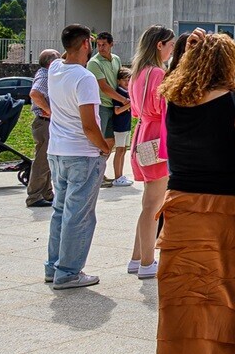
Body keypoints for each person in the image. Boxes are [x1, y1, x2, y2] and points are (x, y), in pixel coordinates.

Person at [151, 30, 235, 354]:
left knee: (176, 300)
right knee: (224, 300)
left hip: (180, 208)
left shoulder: (173, 99)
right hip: (225, 212)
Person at [45, 24, 113, 290]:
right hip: (82, 153)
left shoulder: (55, 68)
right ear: (86, 43)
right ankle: (69, 272)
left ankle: (54, 266)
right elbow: (89, 125)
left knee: (60, 211)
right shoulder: (84, 78)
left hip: (57, 150)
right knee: (79, 215)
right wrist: (104, 148)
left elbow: (63, 57)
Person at [128, 25, 175, 279]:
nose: (172, 50)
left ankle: (138, 258)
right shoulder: (158, 73)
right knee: (153, 205)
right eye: (170, 45)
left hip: (143, 133)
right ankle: (146, 262)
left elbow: (136, 110)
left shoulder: (138, 73)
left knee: (149, 202)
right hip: (157, 137)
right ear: (159, 45)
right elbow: (165, 109)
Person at [88, 32, 132, 187]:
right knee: (97, 143)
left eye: (104, 45)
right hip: (101, 105)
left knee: (110, 142)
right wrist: (124, 100)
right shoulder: (94, 63)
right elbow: (104, 87)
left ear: (111, 44)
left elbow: (120, 81)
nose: (100, 48)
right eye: (98, 45)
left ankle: (98, 173)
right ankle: (93, 175)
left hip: (113, 106)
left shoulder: (116, 59)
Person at [27, 49, 59, 208]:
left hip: (46, 122)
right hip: (44, 122)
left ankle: (46, 193)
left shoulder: (47, 74)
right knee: (42, 161)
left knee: (47, 161)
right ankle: (34, 196)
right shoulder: (45, 75)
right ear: (51, 62)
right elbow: (35, 93)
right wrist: (49, 110)